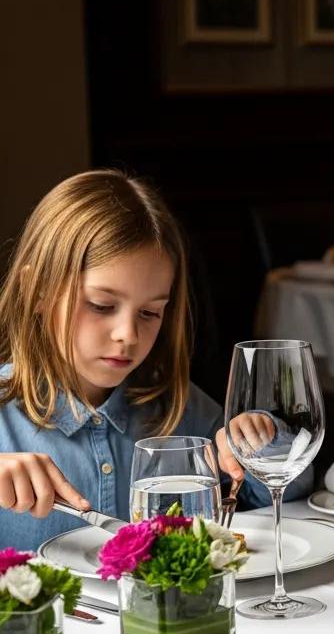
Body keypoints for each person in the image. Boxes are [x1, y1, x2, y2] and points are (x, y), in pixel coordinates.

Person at [0, 170, 311, 551]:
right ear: (39, 292)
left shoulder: (179, 408)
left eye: (149, 313)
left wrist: (260, 444)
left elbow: (289, 493)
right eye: (102, 305)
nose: (127, 335)